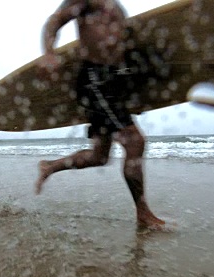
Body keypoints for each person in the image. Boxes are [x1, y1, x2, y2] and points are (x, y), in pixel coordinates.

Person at [35, 0, 165, 230]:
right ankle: (143, 213)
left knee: (100, 156)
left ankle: (50, 166)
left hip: (116, 78)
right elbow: (54, 21)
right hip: (96, 78)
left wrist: (135, 91)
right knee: (135, 142)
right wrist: (49, 53)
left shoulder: (116, 6)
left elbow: (124, 47)